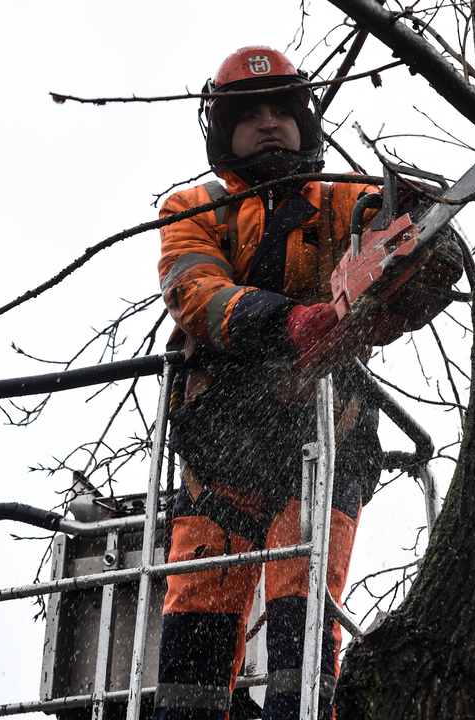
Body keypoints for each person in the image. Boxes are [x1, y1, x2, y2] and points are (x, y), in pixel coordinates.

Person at [153, 46, 384, 720]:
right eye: (251, 114)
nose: (270, 124)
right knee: (196, 619)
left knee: (303, 602)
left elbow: (384, 243)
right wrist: (289, 322)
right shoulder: (193, 209)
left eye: (282, 110)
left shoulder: (344, 200)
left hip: (325, 432)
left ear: (304, 123)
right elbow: (198, 294)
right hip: (220, 443)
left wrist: (413, 236)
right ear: (223, 131)